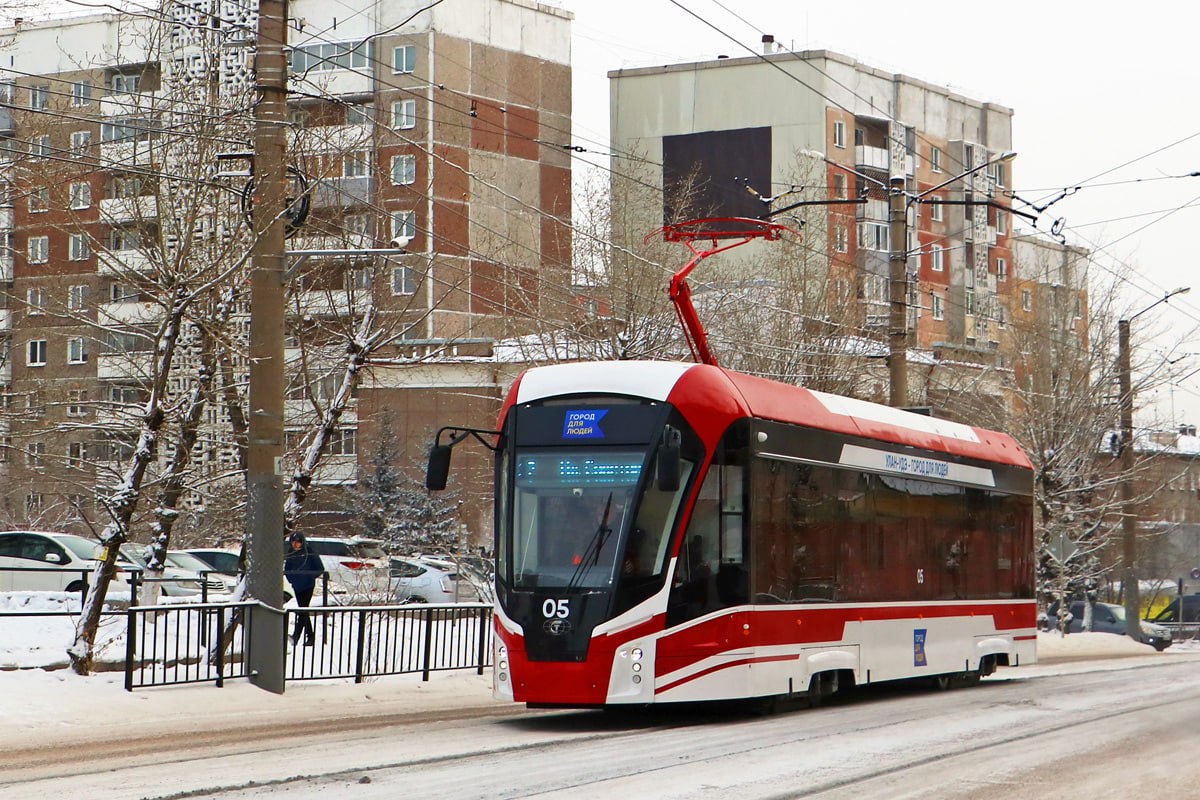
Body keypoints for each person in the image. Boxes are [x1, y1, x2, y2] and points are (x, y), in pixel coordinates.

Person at [284, 532, 324, 645]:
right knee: (303, 610)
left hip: (308, 585)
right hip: (297, 586)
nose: (295, 545)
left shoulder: (309, 552)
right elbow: (287, 568)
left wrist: (308, 576)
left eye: (298, 542)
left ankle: (297, 636)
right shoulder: (291, 553)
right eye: (293, 542)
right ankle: (309, 636)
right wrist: (292, 579)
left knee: (303, 610)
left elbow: (319, 568)